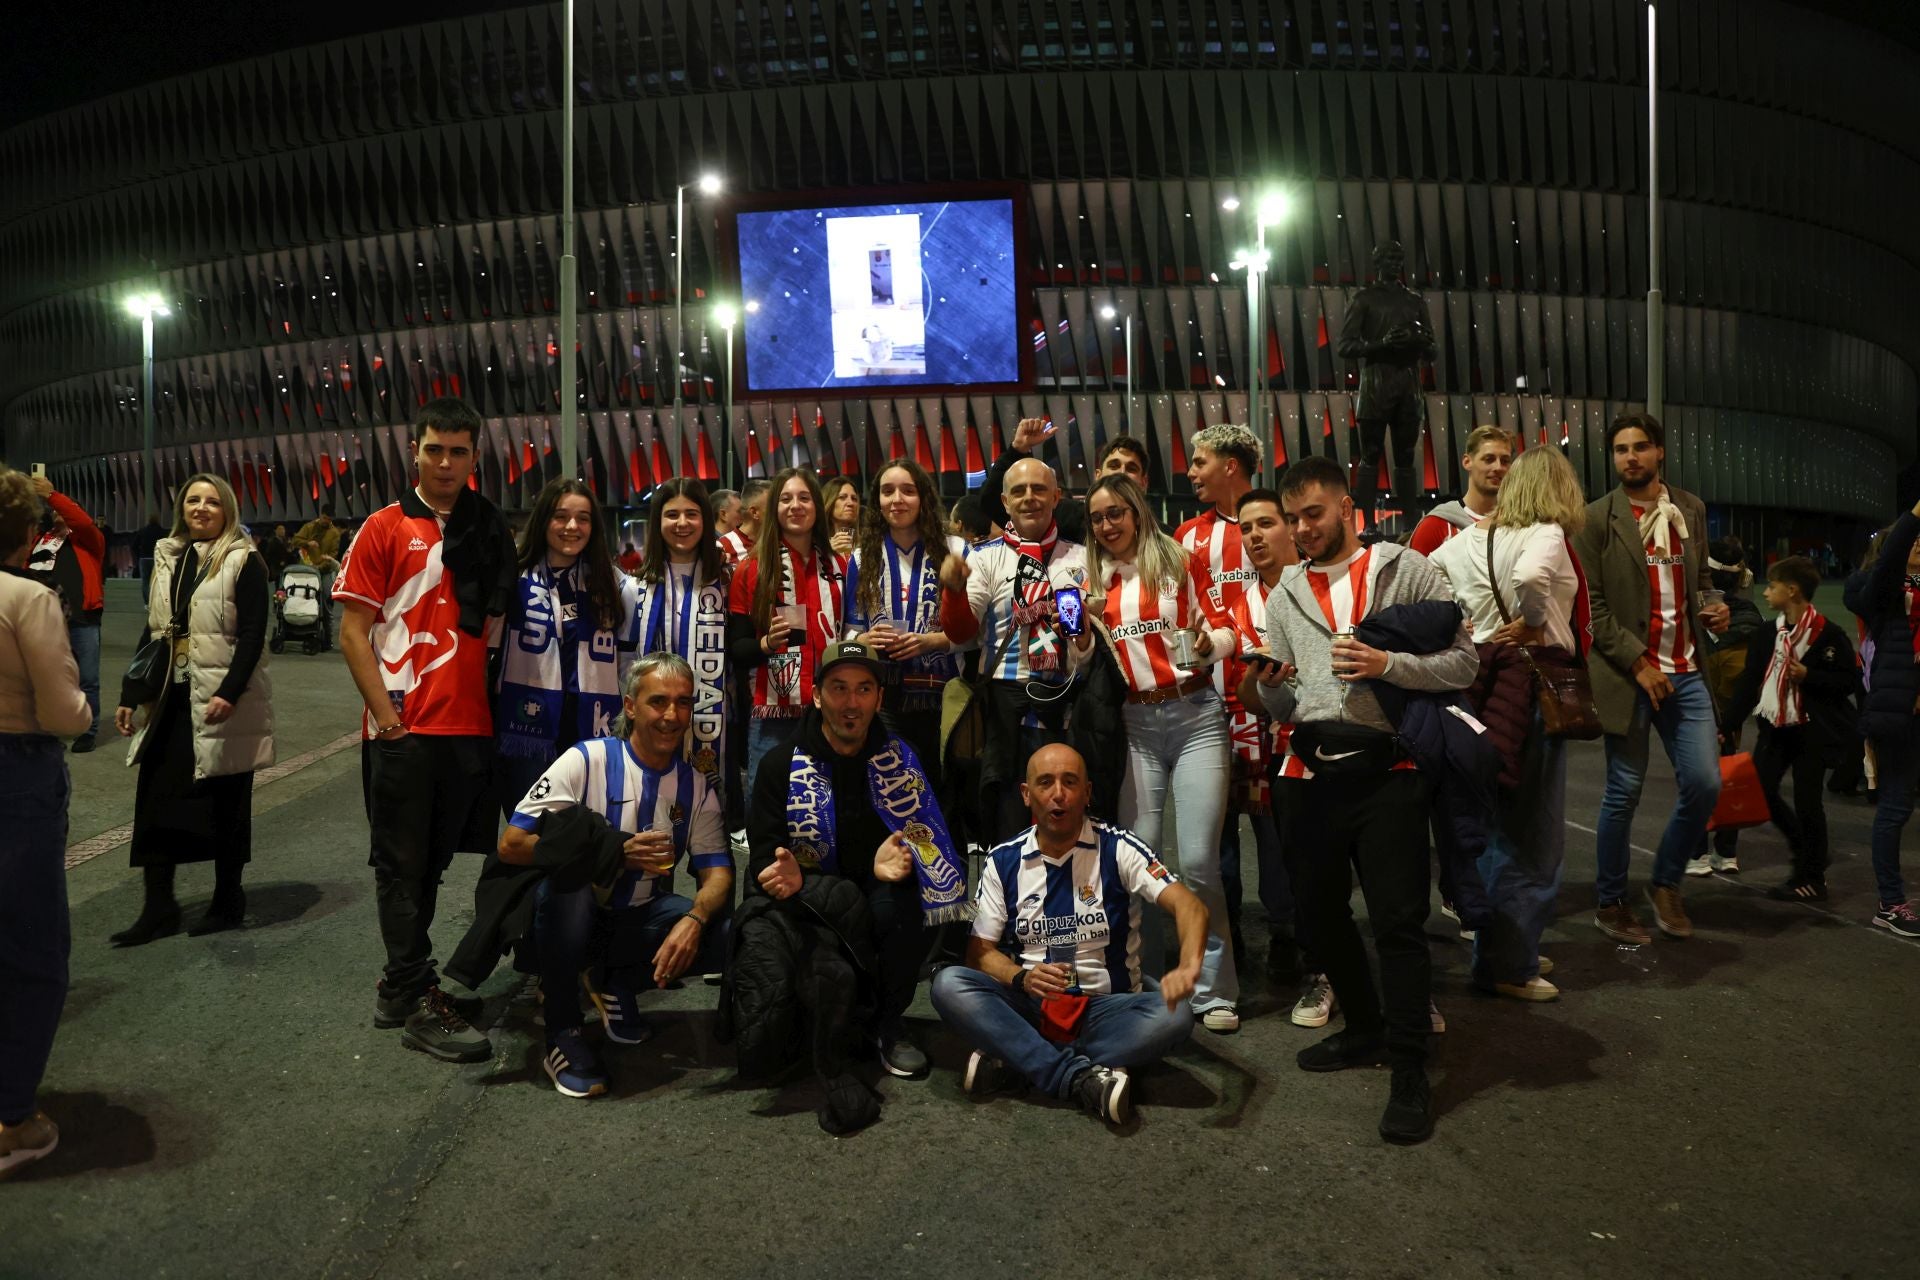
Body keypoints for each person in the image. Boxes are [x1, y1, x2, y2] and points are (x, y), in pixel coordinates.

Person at [1253, 454, 1477, 1145]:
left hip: (1391, 769)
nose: (1301, 530)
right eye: (1292, 520)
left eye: (1312, 515)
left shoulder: (1404, 568)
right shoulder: (1287, 586)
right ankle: (1368, 1029)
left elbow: (1464, 661)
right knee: (1317, 917)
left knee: (1397, 922)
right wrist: (1263, 686)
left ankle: (1409, 1067)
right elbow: (1279, 697)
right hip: (1308, 773)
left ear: (1346, 507)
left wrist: (1389, 665)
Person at [335, 397, 516, 1064]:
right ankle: (413, 994)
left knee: (432, 865)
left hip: (468, 725)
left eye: (458, 451)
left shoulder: (488, 528)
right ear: (415, 451)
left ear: (476, 456)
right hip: (405, 726)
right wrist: (386, 719)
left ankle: (398, 982)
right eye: (434, 449)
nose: (445, 462)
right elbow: (353, 633)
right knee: (399, 863)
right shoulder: (384, 527)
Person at [497, 654, 733, 1098]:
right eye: (658, 701)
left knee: (728, 929)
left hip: (633, 918)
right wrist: (613, 853)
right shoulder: (585, 759)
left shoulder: (697, 787)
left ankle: (615, 982)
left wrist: (695, 922)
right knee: (570, 889)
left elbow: (717, 873)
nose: (671, 715)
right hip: (557, 919)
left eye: (683, 704)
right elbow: (511, 845)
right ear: (630, 706)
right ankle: (563, 1033)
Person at [930, 744, 1206, 1125]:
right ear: (1027, 795)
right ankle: (1079, 1078)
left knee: (1175, 1017)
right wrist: (1021, 977)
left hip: (1105, 1007)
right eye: (1045, 782)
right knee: (948, 985)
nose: (1058, 793)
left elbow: (1190, 906)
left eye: (1069, 782)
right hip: (1030, 1005)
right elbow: (979, 952)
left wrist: (1189, 965)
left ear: (1087, 793)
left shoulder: (1119, 848)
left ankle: (1019, 1057)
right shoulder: (1003, 860)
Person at [745, 641, 968, 1082]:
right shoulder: (779, 764)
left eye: (865, 689)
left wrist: (904, 858)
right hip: (808, 894)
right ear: (816, 695)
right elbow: (762, 856)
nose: (852, 703)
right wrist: (780, 874)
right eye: (839, 688)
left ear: (879, 699)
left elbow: (930, 845)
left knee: (904, 901)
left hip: (872, 890)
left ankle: (888, 1022)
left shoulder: (901, 762)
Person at [1074, 474, 1242, 1032]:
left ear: (1137, 511)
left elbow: (1226, 628)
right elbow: (1078, 662)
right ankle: (1135, 982)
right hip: (1135, 723)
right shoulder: (1087, 576)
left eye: (1117, 512)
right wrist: (1079, 630)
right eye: (1098, 517)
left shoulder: (1180, 559)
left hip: (1196, 715)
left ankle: (1213, 990)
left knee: (1196, 861)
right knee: (1138, 857)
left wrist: (1207, 644)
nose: (1107, 524)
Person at [1429, 446, 1588, 1001]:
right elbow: (1529, 577)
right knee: (1534, 834)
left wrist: (1472, 637)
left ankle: (1502, 949)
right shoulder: (1544, 532)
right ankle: (1507, 964)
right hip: (1531, 689)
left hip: (1482, 690)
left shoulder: (1466, 540)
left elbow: (1431, 580)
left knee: (1497, 826)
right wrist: (1532, 621)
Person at [1574, 412, 1728, 944]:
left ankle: (1665, 881)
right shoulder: (1595, 518)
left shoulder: (1689, 509)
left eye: (1640, 447)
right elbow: (1590, 608)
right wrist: (1639, 662)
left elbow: (1703, 579)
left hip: (1686, 673)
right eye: (1621, 449)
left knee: (1705, 782)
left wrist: (1715, 605)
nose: (1631, 457)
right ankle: (1611, 900)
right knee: (1623, 790)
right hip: (1627, 674)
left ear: (1660, 452)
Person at [110, 474, 275, 944]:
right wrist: (130, 693)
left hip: (223, 698)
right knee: (155, 799)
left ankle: (228, 900)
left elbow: (252, 633)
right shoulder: (169, 558)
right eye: (193, 500)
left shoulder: (242, 560)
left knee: (226, 801)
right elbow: (155, 631)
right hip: (171, 697)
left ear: (228, 511)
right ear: (181, 506)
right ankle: (158, 907)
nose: (201, 508)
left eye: (212, 502)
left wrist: (231, 689)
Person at [0, 466, 92, 1179]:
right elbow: (65, 713)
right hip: (15, 776)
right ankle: (12, 1118)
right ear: (27, 534)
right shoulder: (26, 598)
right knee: (31, 949)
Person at [940, 455, 1092, 843]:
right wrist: (953, 592)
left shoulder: (1083, 557)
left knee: (1067, 822)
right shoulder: (985, 557)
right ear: (1005, 502)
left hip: (1068, 707)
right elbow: (960, 633)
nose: (1030, 498)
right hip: (1005, 711)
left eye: (1039, 489)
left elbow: (1095, 640)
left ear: (1056, 496)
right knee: (1008, 822)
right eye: (1019, 491)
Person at [493, 478, 643, 820]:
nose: (572, 527)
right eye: (560, 516)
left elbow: (628, 665)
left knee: (590, 829)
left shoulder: (616, 585)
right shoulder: (514, 578)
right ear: (544, 519)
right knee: (529, 829)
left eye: (583, 518)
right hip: (526, 730)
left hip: (592, 727)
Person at [1716, 556, 1860, 904]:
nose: (1766, 593)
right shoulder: (1768, 633)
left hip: (1812, 730)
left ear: (1792, 591)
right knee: (1762, 791)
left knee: (1808, 801)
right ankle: (1807, 849)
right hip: (1775, 727)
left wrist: (1810, 677)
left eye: (1773, 586)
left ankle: (1810, 877)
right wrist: (1727, 725)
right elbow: (1750, 682)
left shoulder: (1828, 634)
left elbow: (1849, 681)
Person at [1226, 490, 1319, 1010]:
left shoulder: (1317, 584)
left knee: (1304, 849)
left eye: (1265, 524)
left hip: (1316, 736)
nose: (1255, 536)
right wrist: (1265, 683)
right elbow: (1243, 688)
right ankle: (1284, 932)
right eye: (1246, 528)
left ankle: (1312, 944)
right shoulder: (1238, 602)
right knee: (1271, 841)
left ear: (1290, 527)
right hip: (1257, 736)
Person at [1176, 423, 1261, 964]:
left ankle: (1290, 941)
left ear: (1231, 465)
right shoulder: (1186, 536)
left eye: (1200, 460)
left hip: (1268, 698)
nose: (1191, 471)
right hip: (1209, 704)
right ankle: (1230, 949)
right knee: (1215, 839)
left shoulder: (1270, 522)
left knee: (1276, 834)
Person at [844, 460, 965, 785]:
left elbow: (974, 631)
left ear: (923, 497)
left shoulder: (956, 550)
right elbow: (850, 628)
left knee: (942, 792)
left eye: (908, 491)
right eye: (887, 491)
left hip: (944, 694)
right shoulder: (860, 557)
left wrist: (933, 641)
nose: (897, 499)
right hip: (884, 696)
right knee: (894, 788)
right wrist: (864, 639)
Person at [727, 467, 845, 798]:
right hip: (773, 711)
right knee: (768, 804)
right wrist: (765, 643)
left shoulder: (839, 567)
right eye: (785, 498)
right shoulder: (750, 569)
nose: (795, 505)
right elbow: (737, 648)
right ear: (773, 509)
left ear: (817, 507)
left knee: (829, 805)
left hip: (833, 707)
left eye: (804, 498)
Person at [1845, 497, 1920, 938]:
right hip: (1896, 712)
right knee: (1895, 806)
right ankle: (1890, 903)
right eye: (1912, 541)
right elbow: (1890, 570)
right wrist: (1911, 518)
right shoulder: (1873, 589)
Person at [631, 478, 731, 809]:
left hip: (713, 718)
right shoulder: (636, 585)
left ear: (705, 518)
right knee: (652, 813)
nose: (682, 523)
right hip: (655, 718)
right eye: (672, 514)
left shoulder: (728, 578)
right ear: (658, 521)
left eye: (692, 513)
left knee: (710, 817)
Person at [1338, 240, 1437, 530]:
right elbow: (1345, 345)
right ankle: (1368, 524)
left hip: (1408, 385)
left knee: (1406, 456)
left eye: (1398, 257)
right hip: (1375, 384)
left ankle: (1409, 525)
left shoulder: (1415, 301)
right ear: (1377, 263)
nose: (1394, 262)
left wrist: (1421, 342)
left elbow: (1432, 352)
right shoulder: (1364, 299)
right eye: (1389, 257)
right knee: (1370, 454)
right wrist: (1382, 344)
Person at [1686, 537, 1768, 876]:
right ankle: (1726, 850)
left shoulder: (1693, 611)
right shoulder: (1750, 614)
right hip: (1732, 713)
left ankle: (1696, 852)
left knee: (1696, 777)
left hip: (1701, 709)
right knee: (1729, 769)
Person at [26, 477, 106, 753]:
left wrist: (52, 495)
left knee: (87, 680)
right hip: (44, 621)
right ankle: (53, 729)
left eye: (66, 509)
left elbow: (82, 522)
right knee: (48, 680)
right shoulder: (39, 539)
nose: (59, 512)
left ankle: (88, 730)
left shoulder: (88, 539)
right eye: (56, 510)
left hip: (82, 618)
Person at [978, 417, 1154, 542]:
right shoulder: (1069, 517)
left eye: (1131, 468)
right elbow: (992, 502)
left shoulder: (1162, 535)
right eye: (1114, 465)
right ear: (1098, 476)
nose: (1121, 473)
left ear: (1144, 482)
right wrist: (1017, 450)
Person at [1408, 426, 1513, 557]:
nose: (1498, 467)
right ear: (1467, 462)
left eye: (1505, 461)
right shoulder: (1436, 525)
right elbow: (1412, 576)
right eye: (1489, 459)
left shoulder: (1517, 524)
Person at [718, 477, 770, 568]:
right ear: (754, 512)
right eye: (773, 506)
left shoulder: (778, 544)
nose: (780, 510)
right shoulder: (722, 547)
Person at [822, 476, 861, 557]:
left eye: (854, 498)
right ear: (830, 502)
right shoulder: (815, 546)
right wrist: (827, 552)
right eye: (842, 497)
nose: (850, 503)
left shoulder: (865, 544)